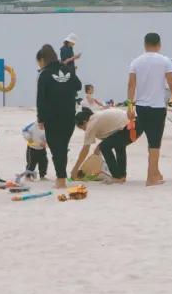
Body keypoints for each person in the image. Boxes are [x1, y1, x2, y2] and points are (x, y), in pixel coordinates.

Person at [127, 32, 172, 187]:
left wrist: (130, 106)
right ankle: (150, 178)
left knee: (151, 142)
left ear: (145, 45)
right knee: (154, 143)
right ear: (159, 44)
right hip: (158, 107)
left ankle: (155, 173)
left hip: (141, 106)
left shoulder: (136, 62)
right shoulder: (165, 61)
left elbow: (131, 85)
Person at [36, 43, 82, 189]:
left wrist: (40, 119)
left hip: (52, 117)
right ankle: (61, 177)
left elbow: (41, 99)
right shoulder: (67, 69)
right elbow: (78, 86)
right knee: (62, 147)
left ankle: (61, 179)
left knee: (57, 149)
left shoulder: (44, 75)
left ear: (43, 59)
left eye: (39, 62)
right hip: (69, 116)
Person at [70, 107, 132, 183]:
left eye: (82, 128)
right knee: (119, 145)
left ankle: (117, 177)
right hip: (136, 125)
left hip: (130, 128)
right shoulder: (96, 117)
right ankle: (121, 176)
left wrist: (75, 169)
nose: (84, 130)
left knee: (104, 147)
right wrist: (98, 148)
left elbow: (85, 149)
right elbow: (111, 136)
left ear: (84, 121)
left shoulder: (91, 124)